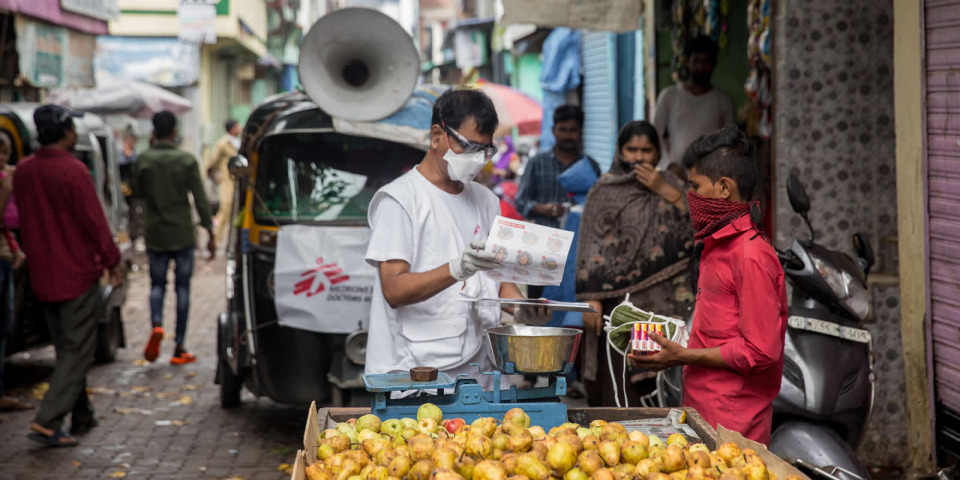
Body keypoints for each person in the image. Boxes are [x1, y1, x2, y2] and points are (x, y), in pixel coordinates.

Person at [364, 88, 549, 390]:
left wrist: (522, 309)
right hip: (417, 376)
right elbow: (394, 290)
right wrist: (456, 270)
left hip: (483, 374)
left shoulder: (486, 200)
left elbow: (499, 280)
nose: (479, 159)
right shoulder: (400, 200)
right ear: (437, 135)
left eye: (486, 150)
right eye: (469, 146)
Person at [628, 126, 787, 444]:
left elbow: (759, 351)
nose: (690, 196)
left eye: (695, 186)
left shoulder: (751, 255)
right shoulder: (717, 244)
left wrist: (682, 356)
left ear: (724, 187)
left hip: (731, 423)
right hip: (702, 411)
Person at [16, 105, 124, 446]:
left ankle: (82, 415)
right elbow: (95, 223)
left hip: (42, 276)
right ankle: (47, 420)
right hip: (75, 273)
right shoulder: (74, 171)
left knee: (67, 350)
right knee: (77, 352)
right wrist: (113, 260)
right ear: (65, 132)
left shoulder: (23, 171)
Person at [576, 121, 694, 407]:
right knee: (622, 376)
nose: (639, 158)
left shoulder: (673, 183)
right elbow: (591, 243)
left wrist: (664, 189)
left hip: (668, 302)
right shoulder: (604, 190)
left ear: (658, 153)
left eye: (646, 150)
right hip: (621, 304)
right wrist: (591, 297)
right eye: (632, 150)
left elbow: (698, 225)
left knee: (667, 372)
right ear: (620, 151)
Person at [135, 110, 215, 365]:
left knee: (157, 286)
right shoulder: (187, 160)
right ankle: (179, 345)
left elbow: (136, 194)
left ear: (153, 132)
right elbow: (200, 200)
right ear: (175, 132)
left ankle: (157, 324)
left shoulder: (144, 159)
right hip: (182, 232)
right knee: (183, 289)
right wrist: (209, 231)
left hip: (156, 232)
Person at [653, 36, 736, 170]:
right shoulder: (669, 95)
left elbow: (729, 143)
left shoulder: (723, 101)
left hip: (709, 179)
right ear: (687, 62)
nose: (701, 67)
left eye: (707, 62)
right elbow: (655, 136)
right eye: (696, 61)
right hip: (674, 176)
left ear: (714, 64)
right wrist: (668, 164)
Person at [515, 105, 600, 230]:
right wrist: (543, 209)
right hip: (544, 237)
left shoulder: (590, 166)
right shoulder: (537, 163)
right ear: (554, 130)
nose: (567, 135)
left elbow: (600, 204)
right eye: (563, 130)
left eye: (573, 130)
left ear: (581, 131)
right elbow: (520, 202)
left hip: (580, 237)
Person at [0, 130, 30, 413]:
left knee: (6, 327)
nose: (2, 158)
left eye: (6, 152)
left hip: (8, 254)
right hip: (2, 258)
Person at [206, 119, 242, 244]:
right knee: (226, 208)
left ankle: (235, 241)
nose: (240, 127)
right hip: (228, 181)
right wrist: (218, 177)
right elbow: (213, 163)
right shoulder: (223, 144)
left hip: (241, 181)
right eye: (238, 126)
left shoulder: (240, 143)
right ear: (232, 129)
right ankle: (215, 240)